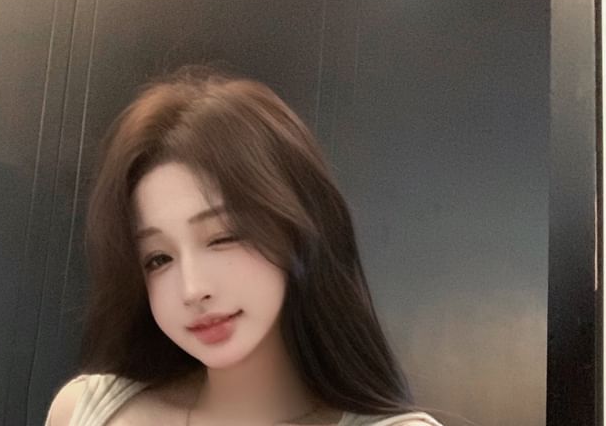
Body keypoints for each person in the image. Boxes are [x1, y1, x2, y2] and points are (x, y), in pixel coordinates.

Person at [46, 67, 443, 425]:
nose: (193, 289)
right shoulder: (86, 411)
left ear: (295, 229)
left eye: (222, 237)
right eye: (158, 258)